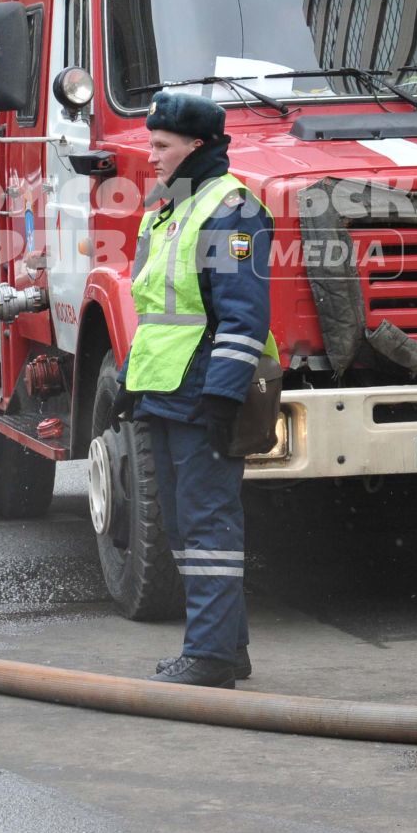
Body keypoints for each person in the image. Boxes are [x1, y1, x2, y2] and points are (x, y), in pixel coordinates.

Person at [113, 90, 272, 689]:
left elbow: (243, 316)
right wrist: (131, 382)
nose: (149, 156)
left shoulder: (232, 210)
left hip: (202, 391)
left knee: (207, 526)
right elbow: (157, 310)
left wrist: (224, 395)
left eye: (161, 146)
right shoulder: (169, 207)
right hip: (164, 389)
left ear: (196, 146)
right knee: (182, 527)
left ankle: (208, 656)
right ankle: (226, 648)